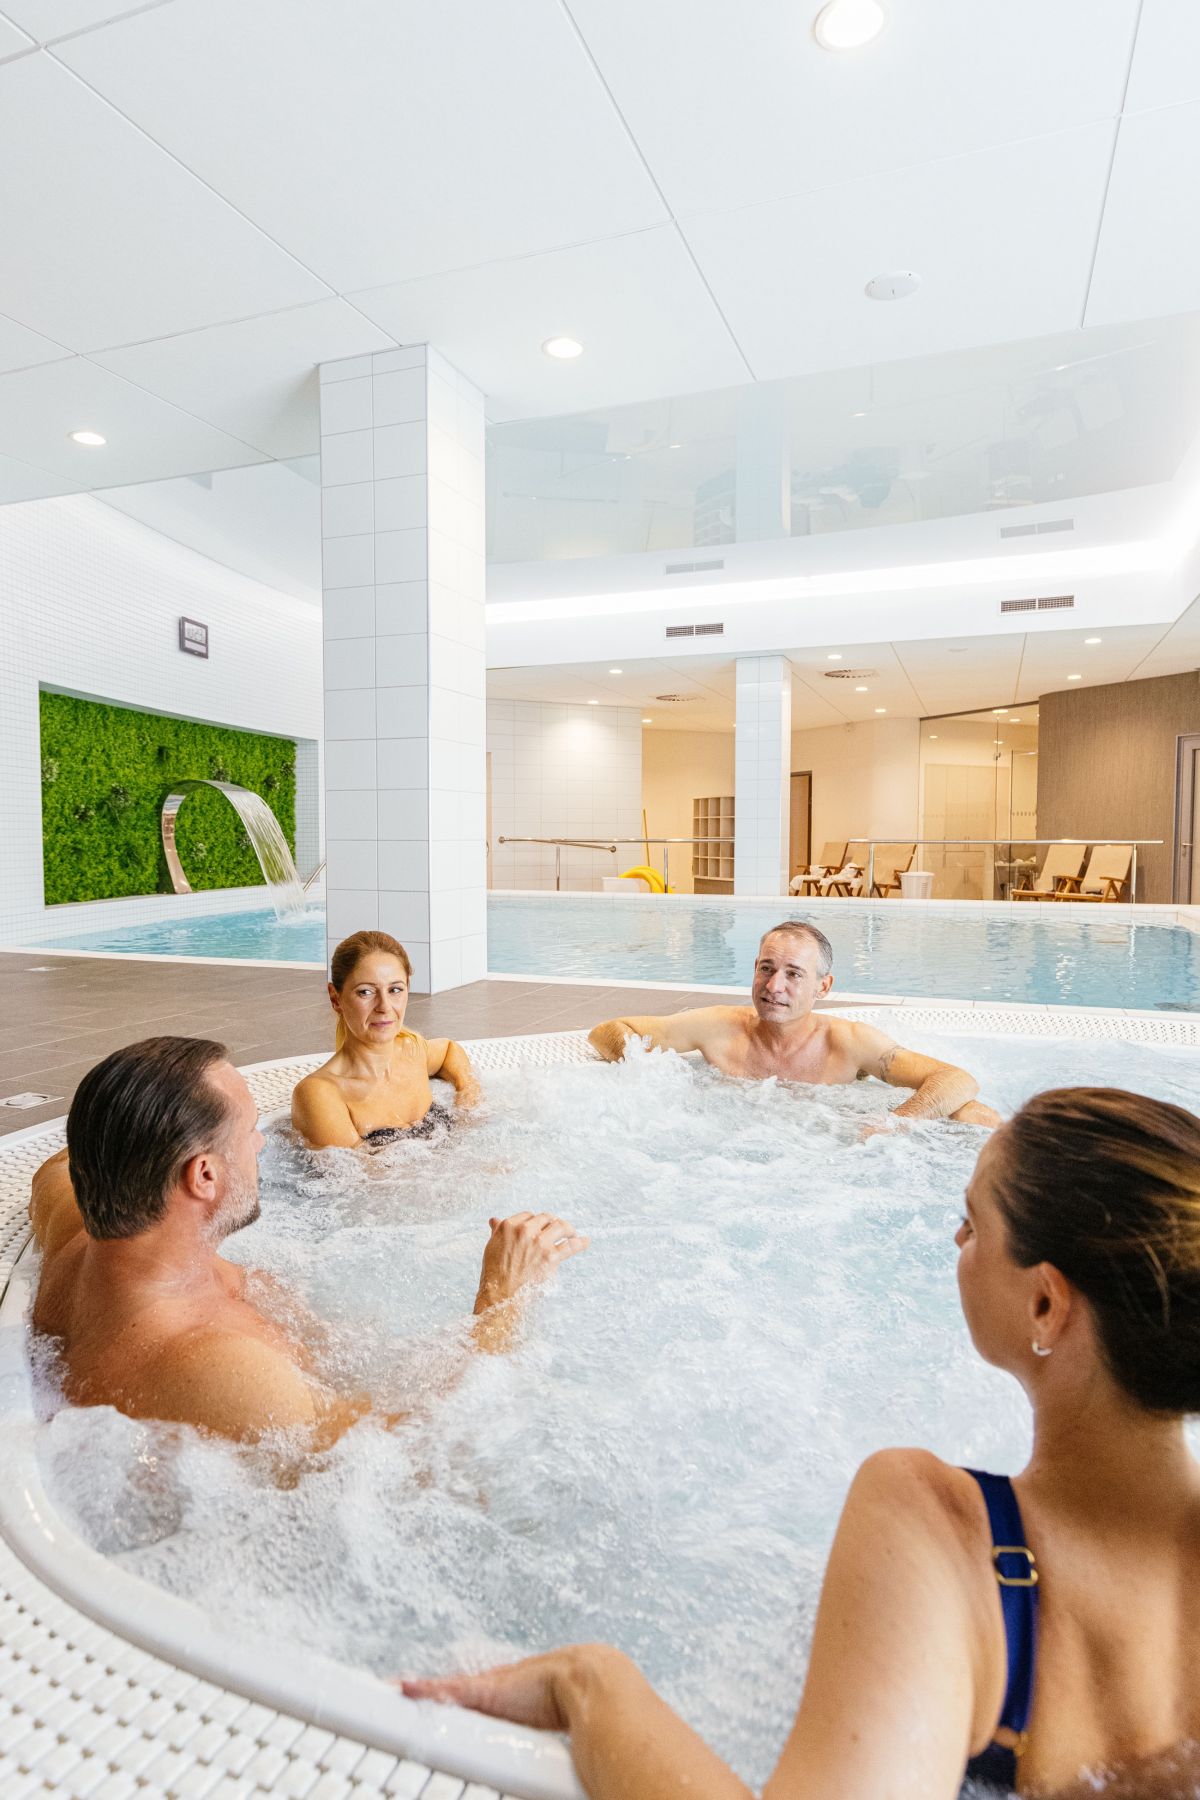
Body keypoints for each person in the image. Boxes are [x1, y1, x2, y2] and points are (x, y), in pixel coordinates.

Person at [405, 1086, 1200, 1798]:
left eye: (973, 1223)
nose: (956, 1239)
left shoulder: (941, 1525)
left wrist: (590, 1683)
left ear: (1045, 1305)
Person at [29, 1036, 587, 1446]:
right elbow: (416, 1456)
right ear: (204, 1176)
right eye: (249, 1131)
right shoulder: (213, 1369)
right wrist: (502, 1300)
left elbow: (54, 1170)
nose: (262, 1144)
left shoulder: (81, 1239)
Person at [588, 918, 999, 1127]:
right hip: (732, 1154)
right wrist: (651, 1076)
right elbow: (607, 1032)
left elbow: (955, 1080)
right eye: (766, 969)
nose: (774, 986)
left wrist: (896, 1125)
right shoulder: (717, 1026)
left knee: (974, 1116)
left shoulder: (849, 1042)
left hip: (827, 1148)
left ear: (824, 986)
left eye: (793, 974)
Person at [292, 930, 482, 1148]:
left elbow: (449, 1050)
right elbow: (362, 1169)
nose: (384, 1006)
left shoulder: (412, 1051)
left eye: (395, 989)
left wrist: (467, 1093)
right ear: (335, 998)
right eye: (365, 992)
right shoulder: (321, 1093)